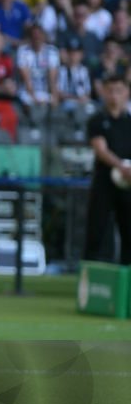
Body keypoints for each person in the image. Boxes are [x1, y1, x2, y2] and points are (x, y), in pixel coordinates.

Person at [84, 74, 131, 265]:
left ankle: (127, 281)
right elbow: (100, 149)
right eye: (110, 90)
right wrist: (121, 166)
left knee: (129, 232)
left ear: (126, 93)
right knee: (97, 230)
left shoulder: (129, 122)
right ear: (103, 92)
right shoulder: (97, 120)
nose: (114, 95)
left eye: (119, 91)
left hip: (128, 185)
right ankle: (89, 279)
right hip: (104, 181)